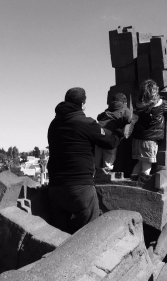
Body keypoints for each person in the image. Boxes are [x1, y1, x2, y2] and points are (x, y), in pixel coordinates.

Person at [47, 87, 123, 233]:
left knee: (59, 238)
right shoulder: (86, 123)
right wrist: (119, 132)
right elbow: (109, 142)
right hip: (80, 188)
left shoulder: (53, 124)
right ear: (83, 104)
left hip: (55, 188)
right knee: (89, 236)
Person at [131, 79, 167, 180]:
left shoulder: (139, 105)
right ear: (155, 91)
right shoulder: (161, 104)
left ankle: (132, 180)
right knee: (146, 166)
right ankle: (142, 184)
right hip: (149, 141)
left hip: (137, 139)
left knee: (139, 163)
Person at [95, 93, 132, 171]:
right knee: (109, 154)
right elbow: (128, 119)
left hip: (98, 132)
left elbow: (99, 117)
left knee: (98, 155)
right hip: (110, 134)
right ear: (125, 102)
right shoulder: (125, 109)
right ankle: (106, 173)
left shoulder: (108, 110)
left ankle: (97, 173)